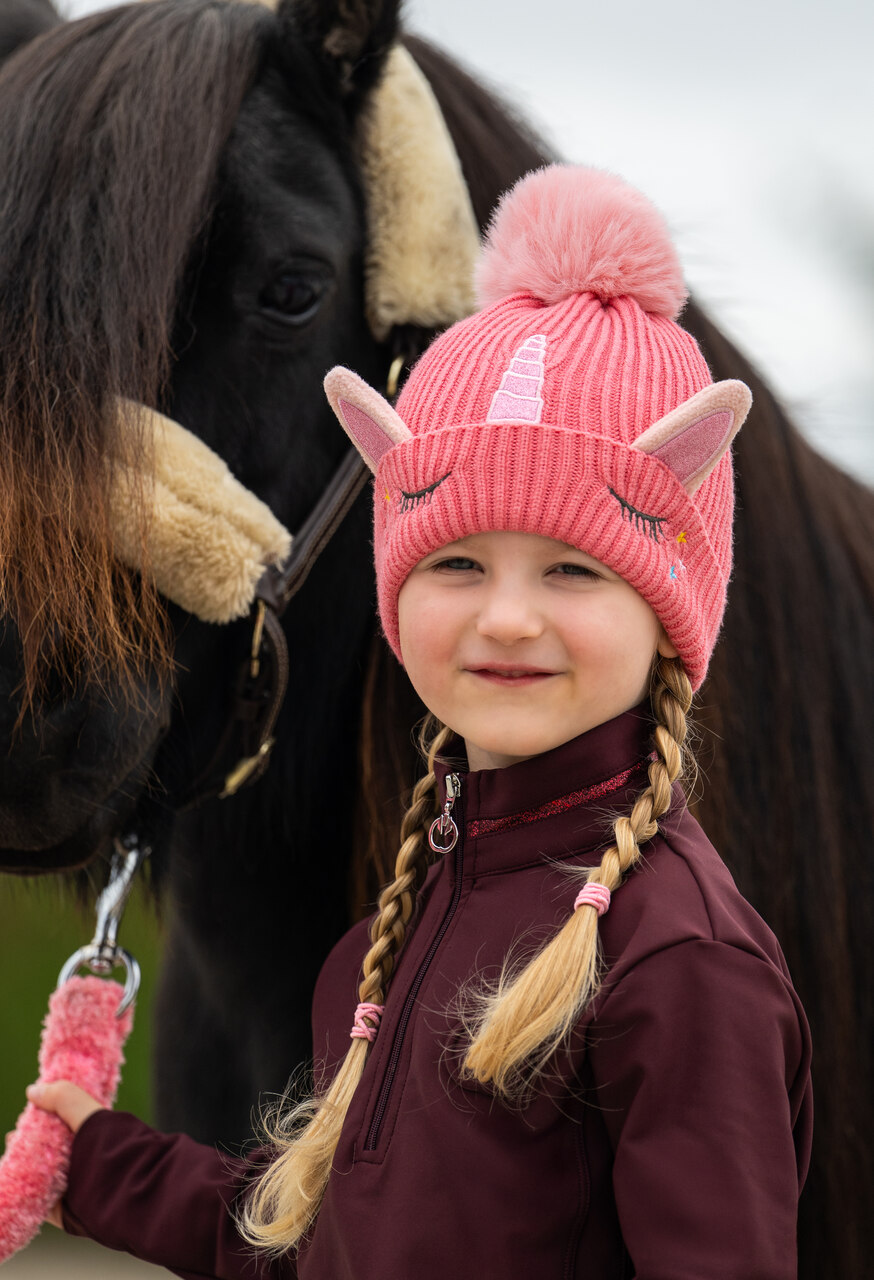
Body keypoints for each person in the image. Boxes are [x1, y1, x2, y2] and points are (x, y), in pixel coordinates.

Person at [26, 164, 812, 1278]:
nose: (505, 616)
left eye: (573, 568)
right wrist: (99, 1164)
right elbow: (330, 1245)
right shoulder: (396, 928)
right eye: (456, 560)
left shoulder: (676, 961)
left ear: (670, 608)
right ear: (397, 588)